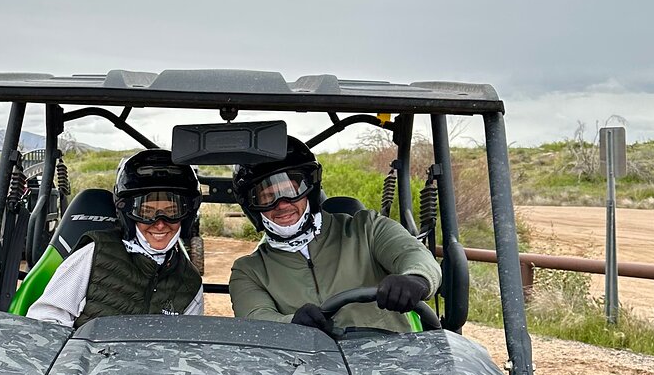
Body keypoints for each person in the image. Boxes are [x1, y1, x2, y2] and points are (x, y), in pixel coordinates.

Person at [228, 137, 441, 334]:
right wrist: (292, 323)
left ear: (310, 190)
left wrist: (415, 278)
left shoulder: (367, 228)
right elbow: (255, 317)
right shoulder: (249, 270)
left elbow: (411, 253)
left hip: (391, 353)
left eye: (292, 191)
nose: (282, 204)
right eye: (267, 197)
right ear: (252, 206)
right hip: (305, 358)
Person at [26, 149, 203, 328]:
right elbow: (45, 318)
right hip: (87, 347)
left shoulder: (190, 282)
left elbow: (188, 338)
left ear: (187, 215)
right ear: (128, 214)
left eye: (172, 212)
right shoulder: (95, 254)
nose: (159, 224)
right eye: (146, 212)